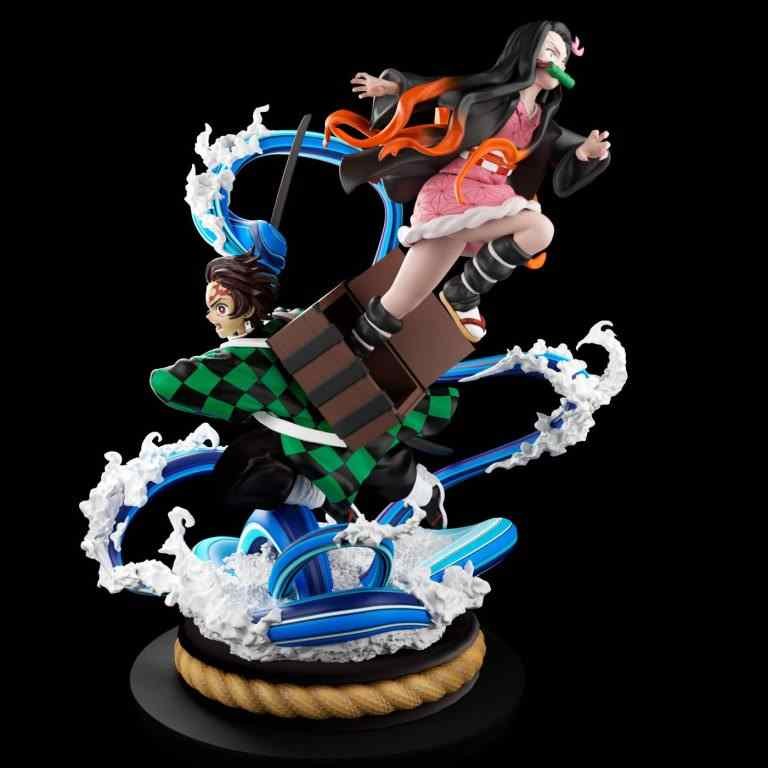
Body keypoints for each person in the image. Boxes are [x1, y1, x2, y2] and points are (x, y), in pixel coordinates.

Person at [325, 19, 610, 348]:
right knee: (399, 302)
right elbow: (442, 87)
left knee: (537, 230)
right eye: (551, 51)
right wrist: (393, 88)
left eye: (563, 58)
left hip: (492, 195)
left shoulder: (543, 122)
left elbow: (570, 150)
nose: (558, 63)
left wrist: (587, 152)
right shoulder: (489, 96)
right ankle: (452, 298)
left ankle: (458, 295)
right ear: (528, 50)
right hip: (454, 191)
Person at [149, 252, 455, 528]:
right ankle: (335, 500)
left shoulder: (243, 361)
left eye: (220, 307)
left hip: (344, 429)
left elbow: (168, 384)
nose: (211, 317)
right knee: (380, 462)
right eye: (211, 308)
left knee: (383, 466)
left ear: (247, 308)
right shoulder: (288, 320)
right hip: (340, 428)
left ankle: (403, 496)